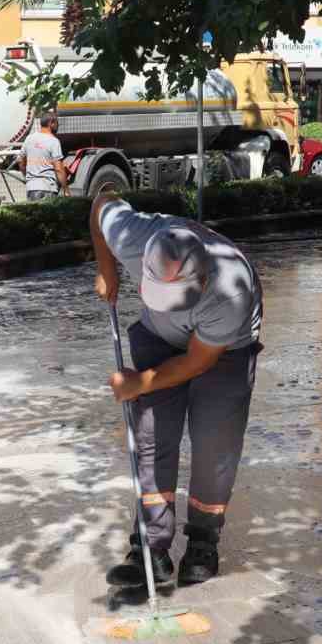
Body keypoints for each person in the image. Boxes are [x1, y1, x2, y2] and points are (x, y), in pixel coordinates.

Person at [90, 190, 263, 589]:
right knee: (151, 435)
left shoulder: (231, 291)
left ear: (202, 280)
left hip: (225, 350)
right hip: (158, 336)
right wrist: (107, 269)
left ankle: (203, 541)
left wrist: (139, 382)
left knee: (215, 441)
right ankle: (150, 546)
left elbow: (197, 362)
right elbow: (101, 203)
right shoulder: (134, 237)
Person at [21, 113, 68, 201]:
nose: (58, 126)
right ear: (51, 123)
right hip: (48, 189)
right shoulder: (53, 141)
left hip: (31, 188)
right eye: (57, 123)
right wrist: (66, 189)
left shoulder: (29, 139)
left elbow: (21, 162)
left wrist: (27, 177)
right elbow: (58, 169)